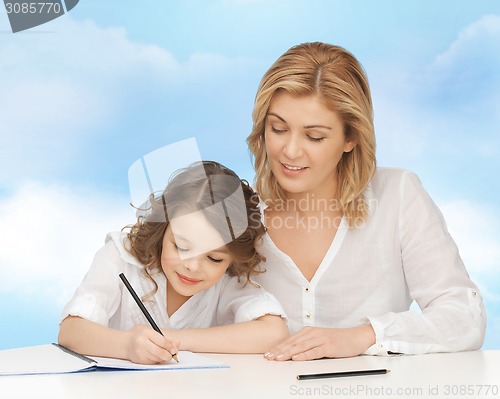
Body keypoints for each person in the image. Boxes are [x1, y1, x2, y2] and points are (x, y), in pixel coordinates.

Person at [246, 41, 486, 361]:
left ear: (351, 137)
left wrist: (365, 335)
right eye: (278, 128)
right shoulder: (237, 209)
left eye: (314, 136)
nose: (290, 151)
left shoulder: (398, 195)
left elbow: (465, 317)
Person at [58, 160, 288, 364]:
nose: (192, 266)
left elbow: (274, 333)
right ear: (163, 227)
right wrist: (126, 345)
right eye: (181, 247)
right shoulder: (120, 256)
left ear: (232, 258)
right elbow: (71, 330)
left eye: (214, 258)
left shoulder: (227, 278)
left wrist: (174, 339)